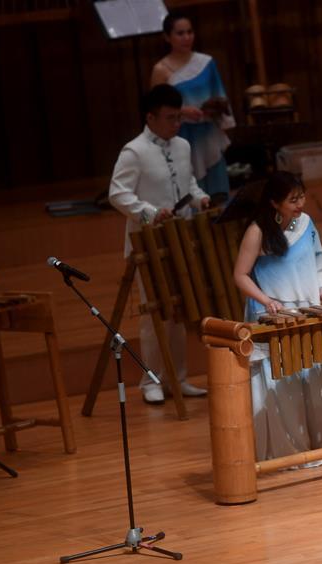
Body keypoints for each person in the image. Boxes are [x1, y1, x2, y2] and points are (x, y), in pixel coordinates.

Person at [109, 84, 210, 404]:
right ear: (150, 117)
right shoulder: (134, 151)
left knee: (178, 312)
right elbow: (118, 193)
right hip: (148, 242)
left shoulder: (181, 145)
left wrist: (201, 198)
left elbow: (187, 182)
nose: (176, 123)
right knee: (155, 317)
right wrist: (149, 213)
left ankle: (177, 378)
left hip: (180, 239)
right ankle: (150, 380)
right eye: (169, 118)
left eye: (179, 117)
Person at [233, 172, 322, 464]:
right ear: (274, 203)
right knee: (284, 387)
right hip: (274, 314)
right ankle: (290, 454)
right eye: (293, 200)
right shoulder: (258, 231)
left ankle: (319, 446)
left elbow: (318, 259)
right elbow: (240, 275)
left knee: (311, 381)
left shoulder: (306, 224)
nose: (301, 204)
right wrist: (265, 300)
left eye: (302, 196)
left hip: (306, 311)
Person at [151, 11, 234, 198]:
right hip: (181, 136)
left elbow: (220, 95)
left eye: (190, 32)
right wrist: (182, 111)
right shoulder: (160, 70)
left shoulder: (206, 62)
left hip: (209, 133)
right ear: (167, 37)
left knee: (218, 190)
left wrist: (219, 116)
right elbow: (156, 108)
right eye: (180, 33)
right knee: (191, 193)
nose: (186, 37)